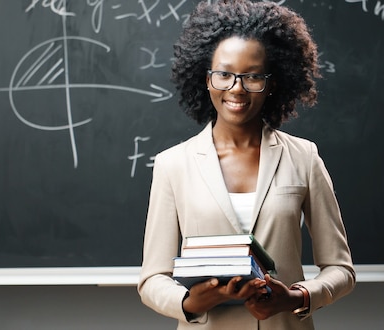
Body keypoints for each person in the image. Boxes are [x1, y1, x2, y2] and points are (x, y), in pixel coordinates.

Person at [137, 0, 355, 329]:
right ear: (206, 78)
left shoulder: (303, 157)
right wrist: (191, 301)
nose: (236, 89)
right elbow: (152, 279)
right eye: (224, 74)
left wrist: (297, 297)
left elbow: (341, 270)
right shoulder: (173, 164)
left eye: (253, 77)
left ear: (274, 83)